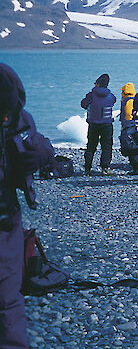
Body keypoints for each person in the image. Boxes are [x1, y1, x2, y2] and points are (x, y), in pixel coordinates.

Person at [1, 63, 54, 348]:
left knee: (8, 295)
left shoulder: (19, 122)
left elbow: (41, 143)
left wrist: (39, 156)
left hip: (6, 218)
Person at [80, 73, 116, 175]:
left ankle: (87, 169)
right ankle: (105, 168)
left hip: (93, 124)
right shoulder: (111, 96)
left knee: (91, 146)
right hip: (107, 124)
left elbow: (83, 104)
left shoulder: (91, 95)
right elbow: (113, 101)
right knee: (107, 146)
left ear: (98, 84)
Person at [119, 82, 138, 175]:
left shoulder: (127, 101)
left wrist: (125, 129)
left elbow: (128, 117)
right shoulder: (135, 99)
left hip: (131, 130)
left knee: (132, 149)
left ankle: (136, 168)